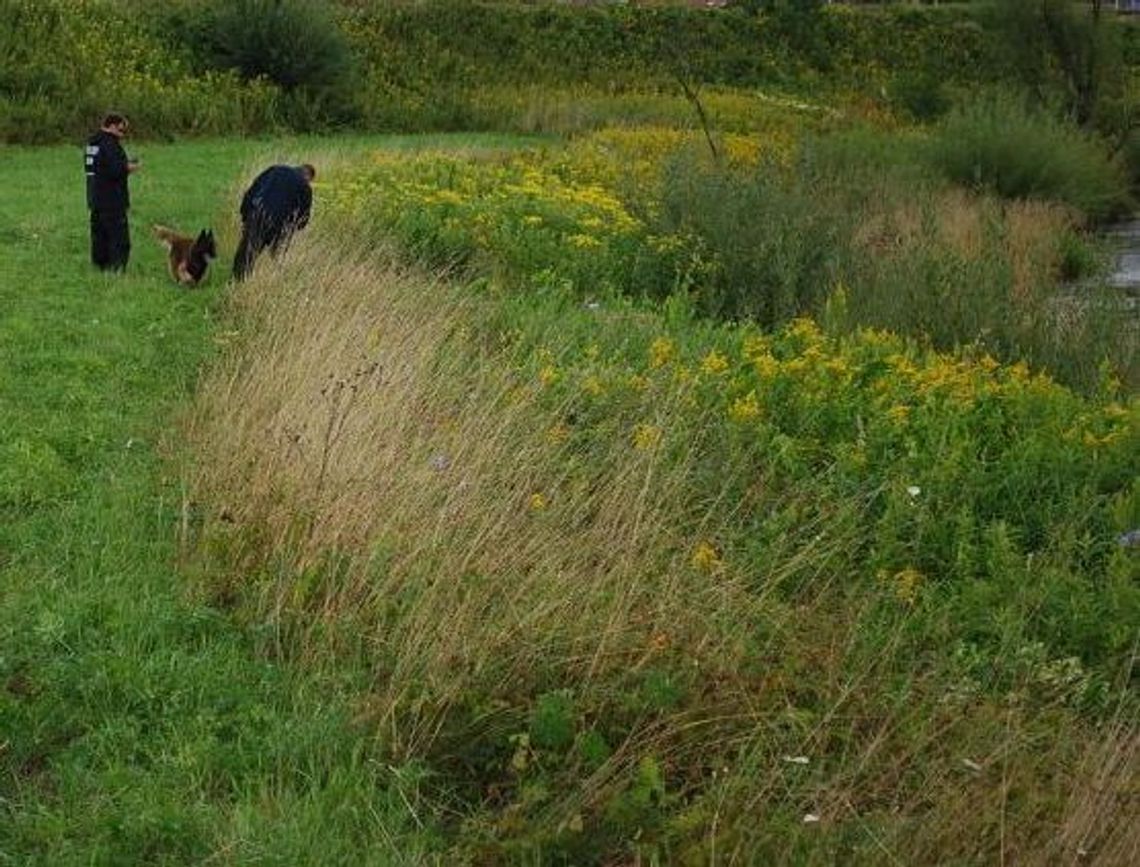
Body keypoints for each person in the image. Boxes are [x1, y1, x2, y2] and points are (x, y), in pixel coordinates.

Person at [232, 163, 316, 281]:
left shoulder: (276, 169)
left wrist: (245, 215)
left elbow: (252, 190)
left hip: (257, 212)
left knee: (246, 252)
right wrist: (292, 226)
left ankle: (237, 282)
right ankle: (273, 283)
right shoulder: (305, 187)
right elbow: (303, 219)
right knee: (277, 257)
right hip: (279, 224)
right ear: (309, 177)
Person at [85, 112, 140, 271]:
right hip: (112, 199)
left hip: (95, 197)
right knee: (118, 238)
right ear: (113, 126)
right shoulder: (110, 144)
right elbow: (115, 170)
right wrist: (129, 167)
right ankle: (117, 269)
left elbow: (96, 168)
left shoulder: (92, 143)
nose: (122, 135)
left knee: (99, 236)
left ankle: (99, 266)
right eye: (121, 130)